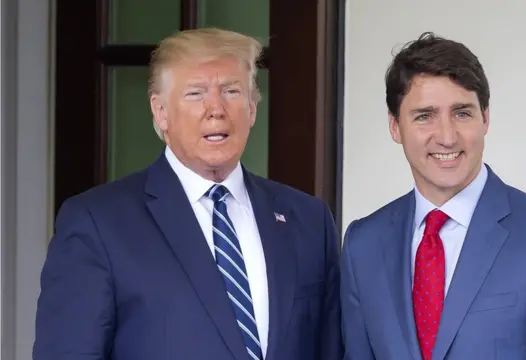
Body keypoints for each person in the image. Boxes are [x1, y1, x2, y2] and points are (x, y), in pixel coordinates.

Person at [34, 27, 343, 360]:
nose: (216, 109)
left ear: (252, 109)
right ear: (161, 112)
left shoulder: (309, 220)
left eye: (232, 91)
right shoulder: (97, 224)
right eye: (196, 93)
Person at [340, 32, 526, 360]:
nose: (446, 137)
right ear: (394, 127)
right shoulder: (363, 245)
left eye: (462, 113)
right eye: (424, 116)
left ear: (485, 118)